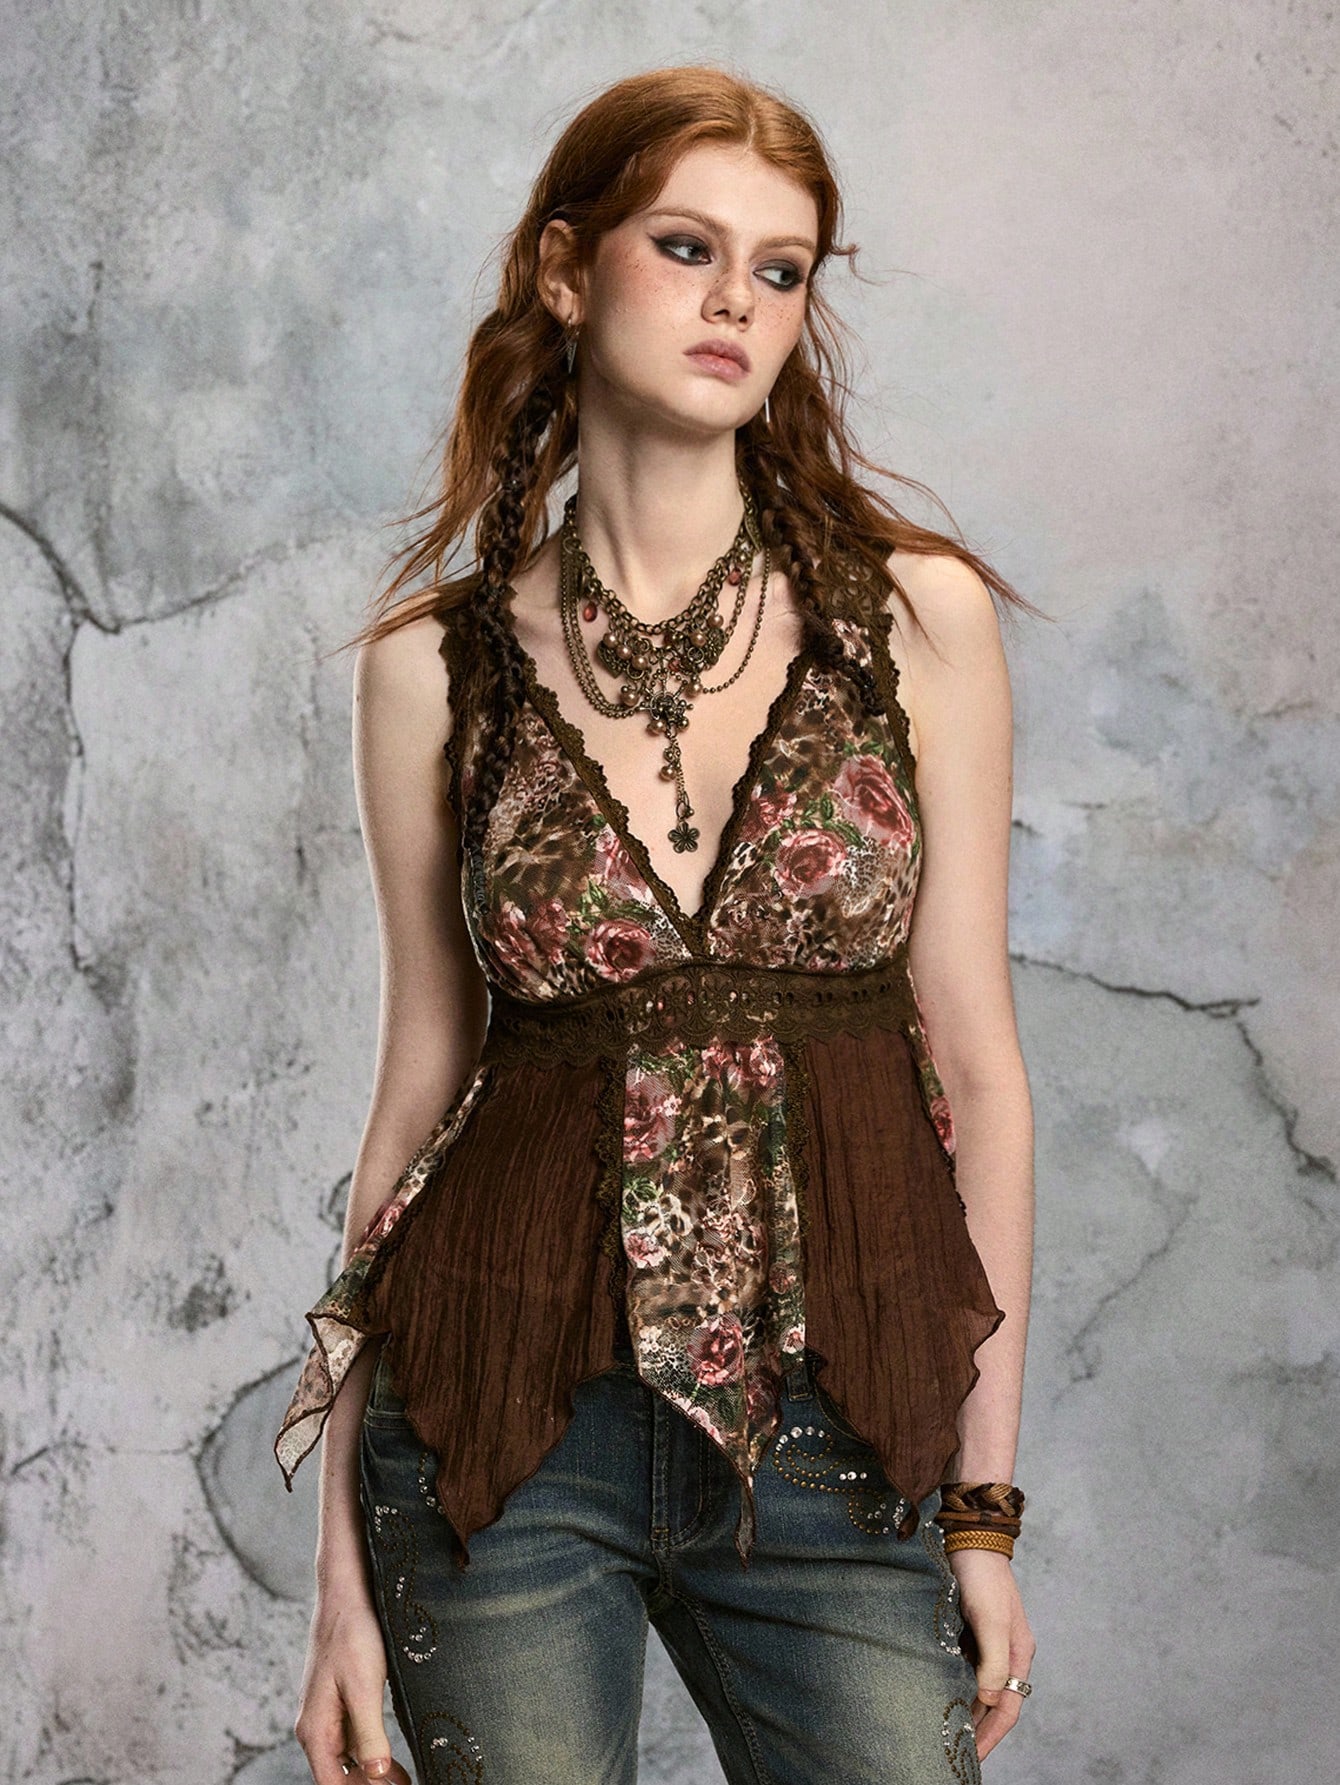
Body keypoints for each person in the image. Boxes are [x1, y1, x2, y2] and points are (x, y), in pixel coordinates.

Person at [275, 64, 1038, 1785]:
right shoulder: (432, 668)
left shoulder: (914, 618)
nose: (735, 302)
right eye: (687, 247)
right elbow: (416, 1104)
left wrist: (983, 1508)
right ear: (566, 269)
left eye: (781, 269)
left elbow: (982, 1073)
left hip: (842, 1435)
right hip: (499, 1434)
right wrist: (337, 1579)